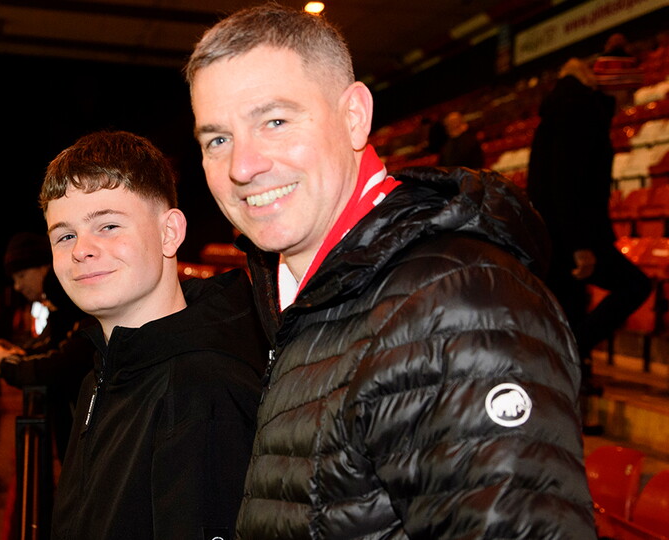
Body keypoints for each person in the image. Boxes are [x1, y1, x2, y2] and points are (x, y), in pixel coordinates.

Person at [185, 4, 595, 539]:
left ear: (354, 116)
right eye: (217, 139)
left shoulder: (455, 305)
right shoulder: (300, 295)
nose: (242, 166)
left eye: (276, 121)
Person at [41, 130, 267, 539]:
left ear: (169, 233)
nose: (81, 250)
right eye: (65, 235)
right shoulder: (100, 379)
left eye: (108, 225)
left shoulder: (203, 386)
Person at [526, 58, 651, 427]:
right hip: (574, 233)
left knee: (571, 312)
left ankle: (570, 417)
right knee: (634, 286)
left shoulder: (559, 110)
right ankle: (570, 356)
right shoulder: (578, 111)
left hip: (554, 231)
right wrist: (581, 243)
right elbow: (568, 181)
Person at [0, 231, 94, 463]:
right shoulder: (60, 298)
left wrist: (10, 366)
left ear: (44, 267)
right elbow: (58, 347)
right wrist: (21, 355)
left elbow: (67, 361)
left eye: (21, 275)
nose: (17, 286)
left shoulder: (70, 296)